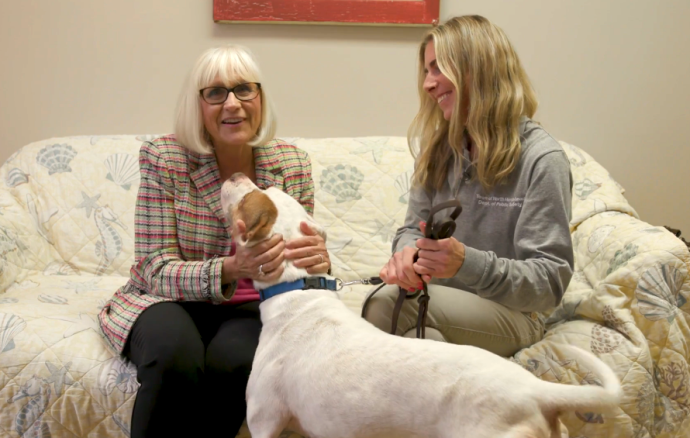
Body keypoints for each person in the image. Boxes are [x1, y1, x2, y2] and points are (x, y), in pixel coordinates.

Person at [98, 45, 331, 438]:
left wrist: (319, 261)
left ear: (260, 97)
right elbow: (153, 266)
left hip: (251, 308)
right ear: (198, 105)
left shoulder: (291, 163)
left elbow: (299, 261)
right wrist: (231, 268)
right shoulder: (165, 157)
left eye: (244, 89)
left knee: (237, 361)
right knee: (174, 356)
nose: (233, 104)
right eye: (216, 92)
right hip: (169, 299)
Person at [363, 15, 574, 358]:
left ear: (478, 69)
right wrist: (406, 255)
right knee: (423, 340)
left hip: (512, 315)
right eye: (426, 72)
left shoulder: (542, 158)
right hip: (437, 305)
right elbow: (408, 229)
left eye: (437, 68)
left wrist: (467, 263)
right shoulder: (439, 150)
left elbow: (548, 284)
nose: (428, 85)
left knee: (386, 305)